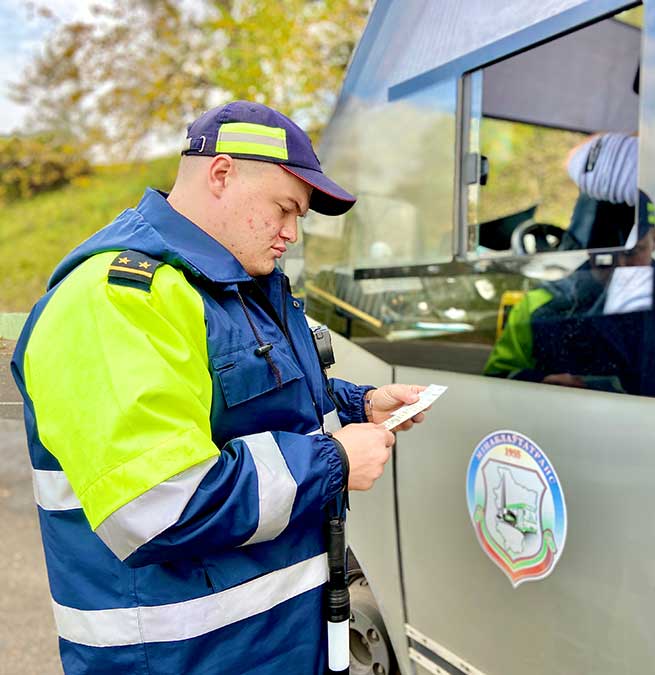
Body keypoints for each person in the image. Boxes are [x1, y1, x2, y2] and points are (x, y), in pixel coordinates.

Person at [10, 101, 429, 674]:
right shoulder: (115, 300)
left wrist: (358, 405)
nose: (292, 234)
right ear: (222, 173)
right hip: (179, 657)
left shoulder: (237, 286)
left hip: (265, 645)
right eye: (285, 209)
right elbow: (157, 503)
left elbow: (254, 404)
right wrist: (333, 461)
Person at [484, 133, 655, 413]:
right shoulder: (538, 307)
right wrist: (536, 383)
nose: (620, 268)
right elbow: (493, 387)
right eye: (605, 256)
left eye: (633, 252)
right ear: (584, 247)